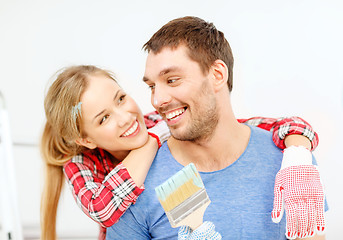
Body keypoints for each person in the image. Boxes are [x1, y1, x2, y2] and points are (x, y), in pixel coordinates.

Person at [105, 17, 326, 240]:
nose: (157, 100)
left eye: (172, 80)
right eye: (152, 86)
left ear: (217, 75)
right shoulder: (135, 184)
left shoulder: (292, 166)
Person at [40, 67, 319, 240]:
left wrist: (297, 153)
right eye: (103, 118)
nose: (125, 117)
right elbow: (102, 207)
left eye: (121, 98)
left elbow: (244, 127)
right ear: (85, 139)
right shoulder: (80, 162)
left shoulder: (156, 123)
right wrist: (148, 145)